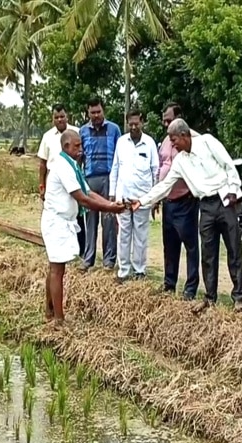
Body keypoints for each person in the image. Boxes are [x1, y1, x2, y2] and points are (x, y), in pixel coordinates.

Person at [130, 119, 242, 313]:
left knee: (234, 249)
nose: (172, 145)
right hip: (205, 205)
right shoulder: (180, 161)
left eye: (174, 140)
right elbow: (164, 185)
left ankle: (238, 298)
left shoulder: (207, 142)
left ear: (184, 135)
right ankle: (210, 297)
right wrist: (142, 201)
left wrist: (233, 190)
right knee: (208, 252)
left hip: (225, 199)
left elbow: (228, 165)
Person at [41, 130, 125, 322]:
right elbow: (83, 200)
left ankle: (50, 312)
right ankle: (58, 320)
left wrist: (110, 205)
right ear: (66, 147)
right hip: (56, 223)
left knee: (55, 267)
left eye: (81, 145)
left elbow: (88, 191)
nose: (81, 149)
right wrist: (110, 208)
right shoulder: (62, 166)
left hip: (62, 223)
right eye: (77, 146)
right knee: (57, 270)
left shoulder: (73, 166)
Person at [109, 110, 159, 281]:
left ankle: (139, 270)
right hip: (123, 197)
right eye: (130, 123)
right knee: (123, 234)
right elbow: (115, 168)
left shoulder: (149, 143)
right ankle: (123, 270)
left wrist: (153, 198)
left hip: (142, 198)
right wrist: (112, 194)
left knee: (140, 235)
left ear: (142, 122)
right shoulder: (122, 142)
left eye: (136, 123)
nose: (133, 126)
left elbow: (155, 172)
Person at [158, 103, 200, 299]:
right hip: (168, 201)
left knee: (190, 246)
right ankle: (169, 283)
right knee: (170, 245)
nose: (165, 123)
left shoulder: (195, 141)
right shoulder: (165, 141)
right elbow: (161, 167)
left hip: (185, 201)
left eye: (169, 119)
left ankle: (190, 289)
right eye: (164, 120)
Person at [80, 96, 122, 270]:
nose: (96, 115)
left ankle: (109, 260)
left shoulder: (114, 129)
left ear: (103, 110)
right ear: (88, 113)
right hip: (89, 179)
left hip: (109, 178)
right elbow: (79, 156)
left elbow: (120, 156)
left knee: (109, 220)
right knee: (90, 221)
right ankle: (88, 259)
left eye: (98, 111)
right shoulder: (82, 131)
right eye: (92, 112)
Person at [36, 105, 84, 255]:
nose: (59, 119)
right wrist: (42, 184)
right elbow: (43, 163)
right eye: (56, 117)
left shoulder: (76, 132)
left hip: (72, 176)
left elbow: (81, 156)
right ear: (53, 119)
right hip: (54, 180)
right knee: (57, 212)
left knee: (76, 213)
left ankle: (80, 250)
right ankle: (56, 248)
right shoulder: (48, 136)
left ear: (67, 116)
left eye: (62, 116)